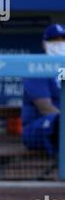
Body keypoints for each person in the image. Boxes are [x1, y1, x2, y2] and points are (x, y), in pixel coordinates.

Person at [22, 23, 64, 157]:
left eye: (63, 39)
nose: (59, 43)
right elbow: (46, 108)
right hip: (38, 128)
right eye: (54, 40)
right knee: (58, 121)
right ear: (44, 44)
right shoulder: (37, 69)